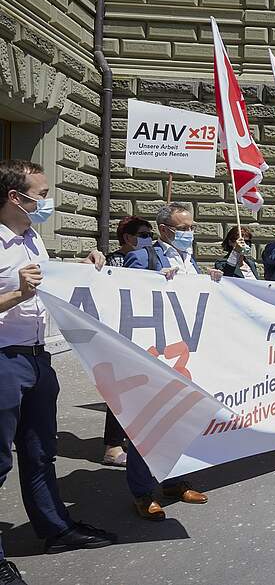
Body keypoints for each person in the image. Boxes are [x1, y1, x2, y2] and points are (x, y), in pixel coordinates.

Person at [0, 159, 116, 570]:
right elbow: (21, 293)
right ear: (16, 197)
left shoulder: (33, 239)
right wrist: (16, 294)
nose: (47, 201)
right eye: (42, 193)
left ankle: (55, 530)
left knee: (40, 452)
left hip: (36, 359)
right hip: (3, 362)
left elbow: (48, 284)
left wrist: (82, 271)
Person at [123, 203, 220, 520]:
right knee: (147, 424)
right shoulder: (143, 257)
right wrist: (152, 280)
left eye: (192, 227)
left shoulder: (190, 260)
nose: (190, 233)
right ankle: (141, 492)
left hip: (185, 354)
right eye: (184, 228)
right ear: (164, 229)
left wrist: (214, 281)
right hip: (153, 354)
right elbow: (123, 294)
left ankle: (173, 481)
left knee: (180, 421)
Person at [101, 216, 154, 467]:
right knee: (119, 390)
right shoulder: (114, 261)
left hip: (144, 330)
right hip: (120, 333)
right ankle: (112, 445)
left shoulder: (151, 257)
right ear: (128, 238)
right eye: (144, 234)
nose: (148, 239)